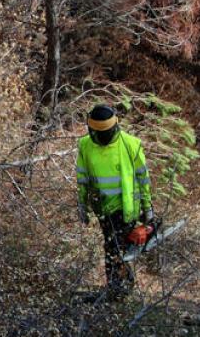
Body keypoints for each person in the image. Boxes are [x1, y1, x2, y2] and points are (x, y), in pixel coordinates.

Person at [75, 104, 156, 297]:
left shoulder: (130, 144)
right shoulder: (85, 145)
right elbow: (82, 177)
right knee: (114, 245)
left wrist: (147, 208)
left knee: (114, 247)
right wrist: (82, 205)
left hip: (125, 206)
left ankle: (118, 289)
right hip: (102, 207)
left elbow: (143, 179)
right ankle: (121, 285)